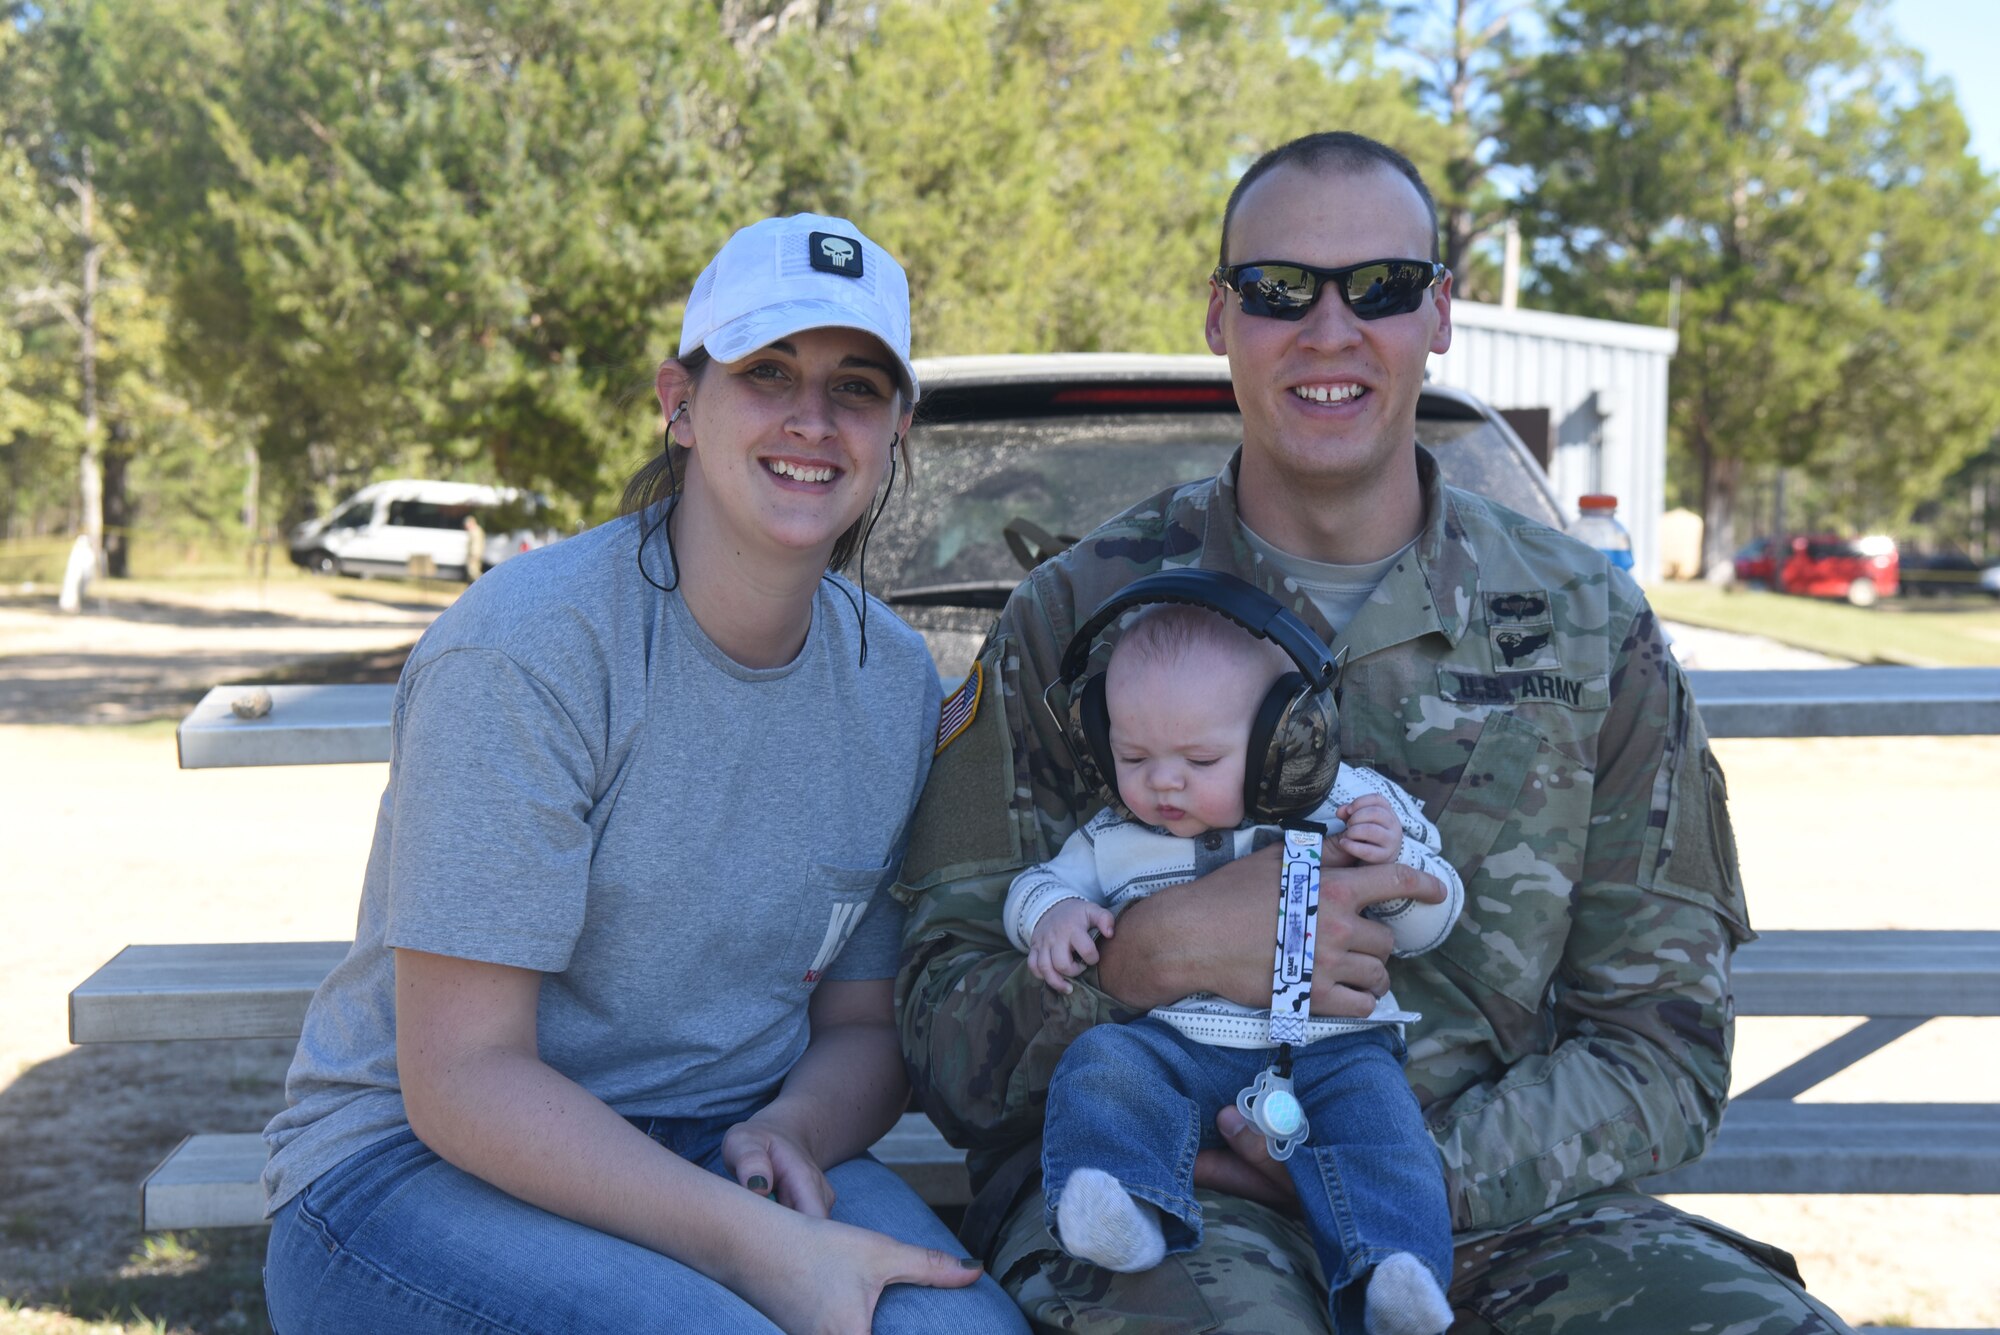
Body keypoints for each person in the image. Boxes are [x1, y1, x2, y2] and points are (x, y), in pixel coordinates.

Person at [896, 133, 1859, 1333]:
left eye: (1383, 287)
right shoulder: (1075, 618)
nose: (1329, 329)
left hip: (1504, 1211)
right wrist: (1140, 962)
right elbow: (940, 1024)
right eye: (1279, 289)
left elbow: (1658, 1052)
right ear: (1219, 317)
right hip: (1167, 1196)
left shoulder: (1584, 627)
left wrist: (1388, 1183)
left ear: (1439, 313)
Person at [260, 213, 1027, 1335]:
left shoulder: (893, 683)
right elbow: (462, 1077)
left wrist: (792, 1136)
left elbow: (864, 1026)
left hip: (723, 1140)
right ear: (679, 402)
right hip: (407, 1173)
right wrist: (763, 1252)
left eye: (856, 387)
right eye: (768, 373)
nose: (811, 419)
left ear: (898, 427)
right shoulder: (530, 649)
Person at [1008, 595, 1461, 1335]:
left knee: (1385, 1127)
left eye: (1200, 759)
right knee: (1105, 1061)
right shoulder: (1116, 836)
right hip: (1181, 1046)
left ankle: (1395, 1273)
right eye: (1133, 757)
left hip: (1334, 1050)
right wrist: (1051, 915)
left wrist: (1398, 858)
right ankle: (1123, 1201)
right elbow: (1034, 886)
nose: (1163, 784)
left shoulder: (1346, 806)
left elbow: (1433, 916)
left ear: (1283, 739)